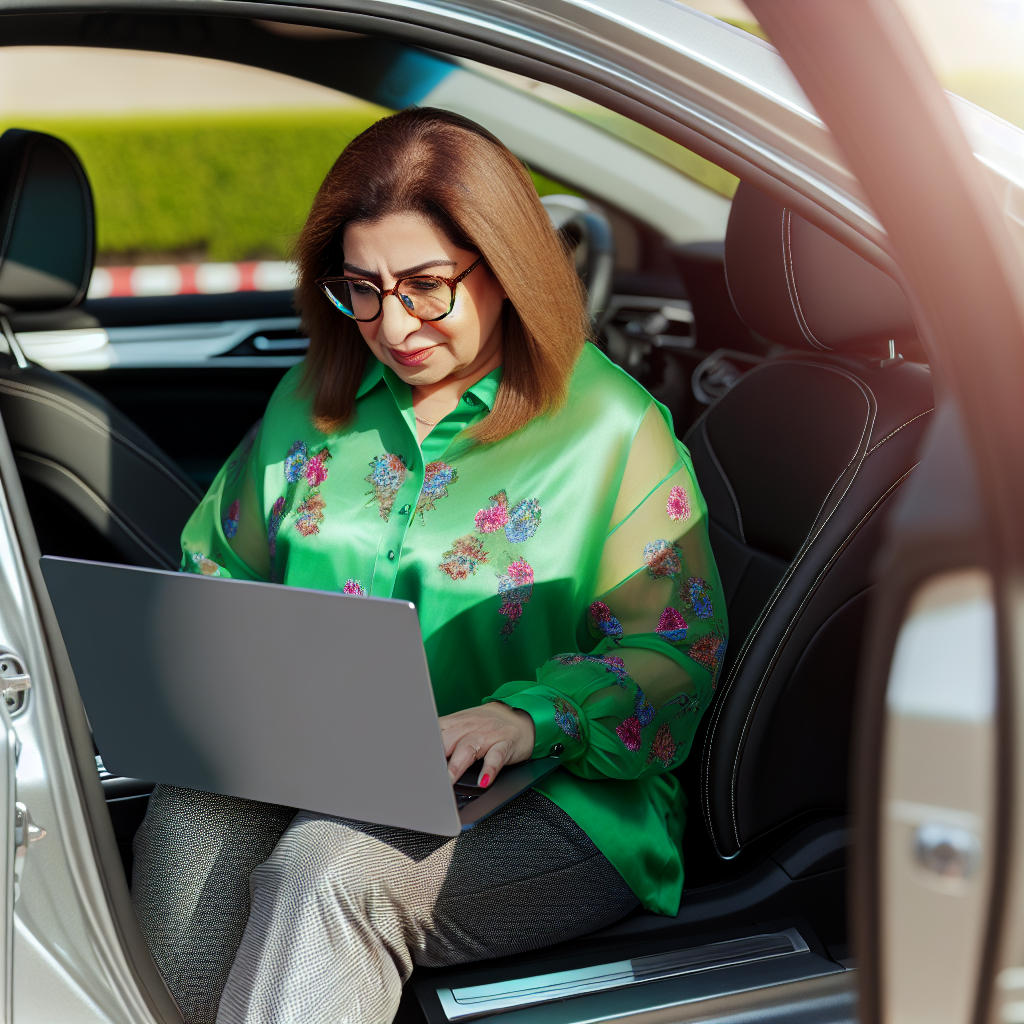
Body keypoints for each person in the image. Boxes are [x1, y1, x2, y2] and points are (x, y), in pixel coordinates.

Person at [130, 107, 728, 1024]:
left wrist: (523, 716)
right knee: (187, 816)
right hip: (320, 756)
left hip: (557, 794)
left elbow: (675, 651)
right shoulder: (311, 402)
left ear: (507, 267)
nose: (392, 324)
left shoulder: (613, 431)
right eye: (361, 290)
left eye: (425, 286)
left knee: (332, 871)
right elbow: (215, 566)